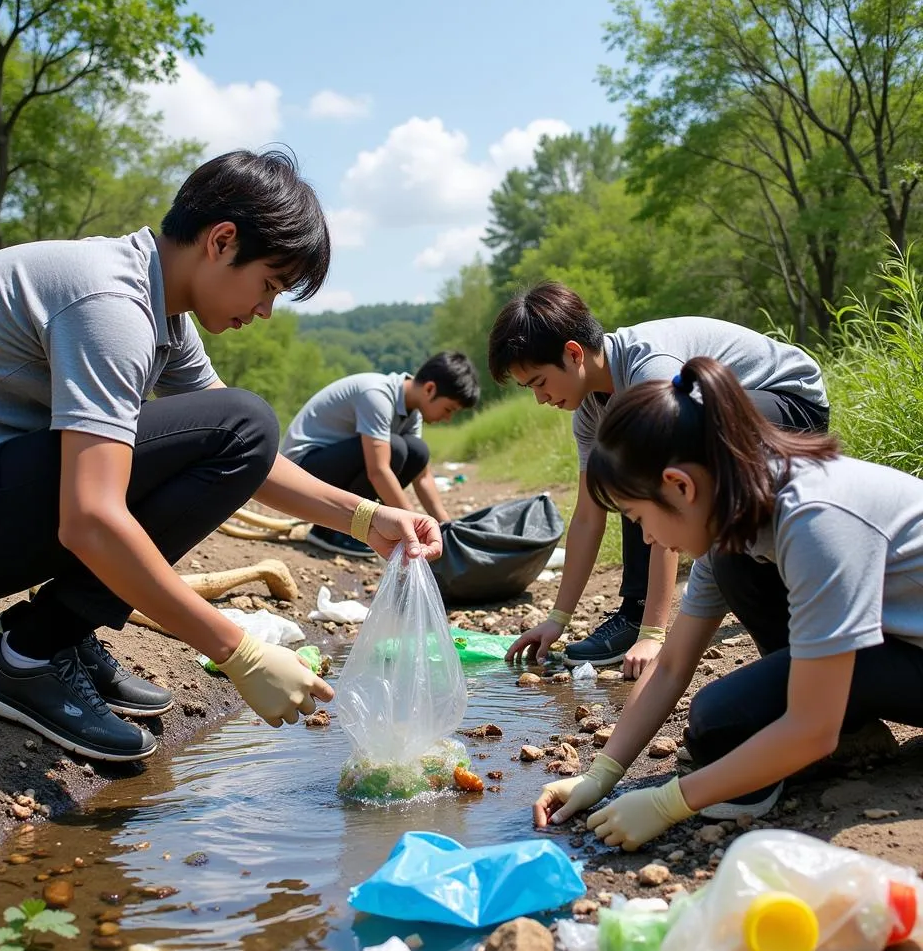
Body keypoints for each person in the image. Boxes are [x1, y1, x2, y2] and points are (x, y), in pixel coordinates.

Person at [0, 149, 441, 764]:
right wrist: (239, 650)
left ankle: (60, 631)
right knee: (246, 419)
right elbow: (89, 519)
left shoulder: (160, 310)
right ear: (222, 240)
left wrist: (368, 520)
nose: (264, 311)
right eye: (268, 285)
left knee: (242, 424)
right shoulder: (111, 306)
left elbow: (248, 454)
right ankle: (30, 655)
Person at [533, 356, 923, 850]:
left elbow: (813, 727)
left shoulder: (815, 519)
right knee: (737, 600)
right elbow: (673, 663)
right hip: (902, 643)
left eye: (638, 517)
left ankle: (806, 745)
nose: (648, 536)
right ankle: (843, 733)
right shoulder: (736, 507)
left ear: (680, 485)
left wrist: (669, 801)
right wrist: (601, 774)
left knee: (722, 722)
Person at [490, 283, 828, 676]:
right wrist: (557, 618)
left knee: (646, 458)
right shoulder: (589, 414)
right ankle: (637, 610)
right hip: (725, 413)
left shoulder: (650, 370)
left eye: (539, 382)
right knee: (625, 461)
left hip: (787, 402)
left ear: (573, 353)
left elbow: (668, 493)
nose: (540, 398)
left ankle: (643, 618)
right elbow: (587, 515)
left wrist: (654, 634)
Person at [280, 352, 480, 557]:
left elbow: (423, 477)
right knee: (395, 449)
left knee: (418, 452)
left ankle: (357, 529)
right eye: (448, 409)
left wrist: (444, 527)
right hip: (299, 471)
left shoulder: (412, 412)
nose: (447, 418)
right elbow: (379, 471)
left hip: (330, 468)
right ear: (430, 389)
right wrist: (413, 528)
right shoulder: (377, 394)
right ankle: (331, 532)